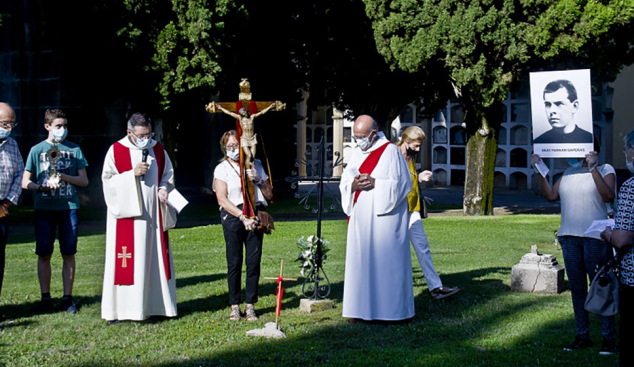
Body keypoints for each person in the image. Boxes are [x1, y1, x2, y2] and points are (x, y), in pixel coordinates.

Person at [531, 137, 617, 354]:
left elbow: (607, 195)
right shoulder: (568, 173)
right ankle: (582, 335)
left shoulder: (606, 169)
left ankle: (609, 338)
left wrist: (593, 169)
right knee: (578, 289)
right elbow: (550, 195)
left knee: (600, 286)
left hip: (596, 238)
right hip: (569, 236)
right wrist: (539, 170)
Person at [101, 113, 177, 323]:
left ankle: (155, 308)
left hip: (153, 217)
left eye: (149, 134)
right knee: (126, 263)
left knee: (153, 260)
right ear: (129, 132)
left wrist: (163, 189)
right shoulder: (116, 150)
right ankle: (121, 311)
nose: (146, 138)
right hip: (127, 219)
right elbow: (107, 181)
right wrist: (131, 174)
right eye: (141, 135)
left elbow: (168, 177)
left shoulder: (158, 149)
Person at [339, 115, 413, 322]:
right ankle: (359, 310)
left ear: (373, 133)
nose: (358, 141)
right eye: (355, 137)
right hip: (361, 218)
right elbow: (345, 181)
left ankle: (390, 312)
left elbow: (402, 184)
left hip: (384, 221)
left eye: (362, 137)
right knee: (361, 263)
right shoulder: (356, 153)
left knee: (385, 264)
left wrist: (376, 183)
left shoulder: (390, 151)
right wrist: (352, 186)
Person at [21, 109, 88, 314]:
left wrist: (63, 177)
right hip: (44, 208)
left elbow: (84, 181)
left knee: (68, 252)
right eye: (58, 126)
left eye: (65, 126)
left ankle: (67, 298)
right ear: (47, 127)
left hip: (68, 208)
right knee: (44, 253)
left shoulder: (74, 149)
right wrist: (40, 187)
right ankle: (45, 297)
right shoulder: (36, 150)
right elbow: (25, 182)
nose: (63, 130)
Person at [213, 130, 273, 321]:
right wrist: (241, 216)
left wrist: (259, 179)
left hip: (254, 214)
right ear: (224, 148)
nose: (233, 150)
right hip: (234, 215)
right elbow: (222, 199)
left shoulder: (256, 164)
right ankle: (234, 305)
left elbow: (270, 195)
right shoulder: (221, 168)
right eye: (229, 146)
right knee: (235, 261)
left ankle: (250, 305)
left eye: (236, 146)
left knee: (253, 262)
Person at [396, 126, 459, 300]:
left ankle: (436, 287)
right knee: (397, 251)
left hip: (413, 208)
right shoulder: (393, 154)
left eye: (419, 146)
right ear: (405, 140)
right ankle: (396, 290)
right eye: (415, 146)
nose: (417, 149)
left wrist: (419, 178)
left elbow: (409, 177)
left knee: (423, 248)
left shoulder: (411, 155)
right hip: (397, 209)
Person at [601, 128, 634, 366]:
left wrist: (608, 233)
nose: (625, 153)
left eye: (626, 149)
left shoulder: (630, 188)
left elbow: (623, 239)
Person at [0, 102, 24, 322]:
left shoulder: (12, 145)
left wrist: (6, 203)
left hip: (2, 211)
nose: (9, 128)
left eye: (11, 124)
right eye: (5, 124)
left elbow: (19, 174)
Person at [212, 102, 277, 169]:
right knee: (248, 155)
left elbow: (262, 113)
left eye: (244, 112)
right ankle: (247, 170)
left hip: (252, 138)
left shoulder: (252, 117)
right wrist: (220, 108)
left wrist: (270, 107)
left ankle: (251, 170)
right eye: (242, 113)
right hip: (245, 139)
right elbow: (229, 113)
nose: (244, 113)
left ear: (246, 111)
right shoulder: (240, 118)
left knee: (252, 156)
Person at [533, 79, 593, 144]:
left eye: (559, 104)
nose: (552, 110)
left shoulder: (589, 138)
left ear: (574, 106)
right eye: (548, 104)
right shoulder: (539, 142)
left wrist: (594, 154)